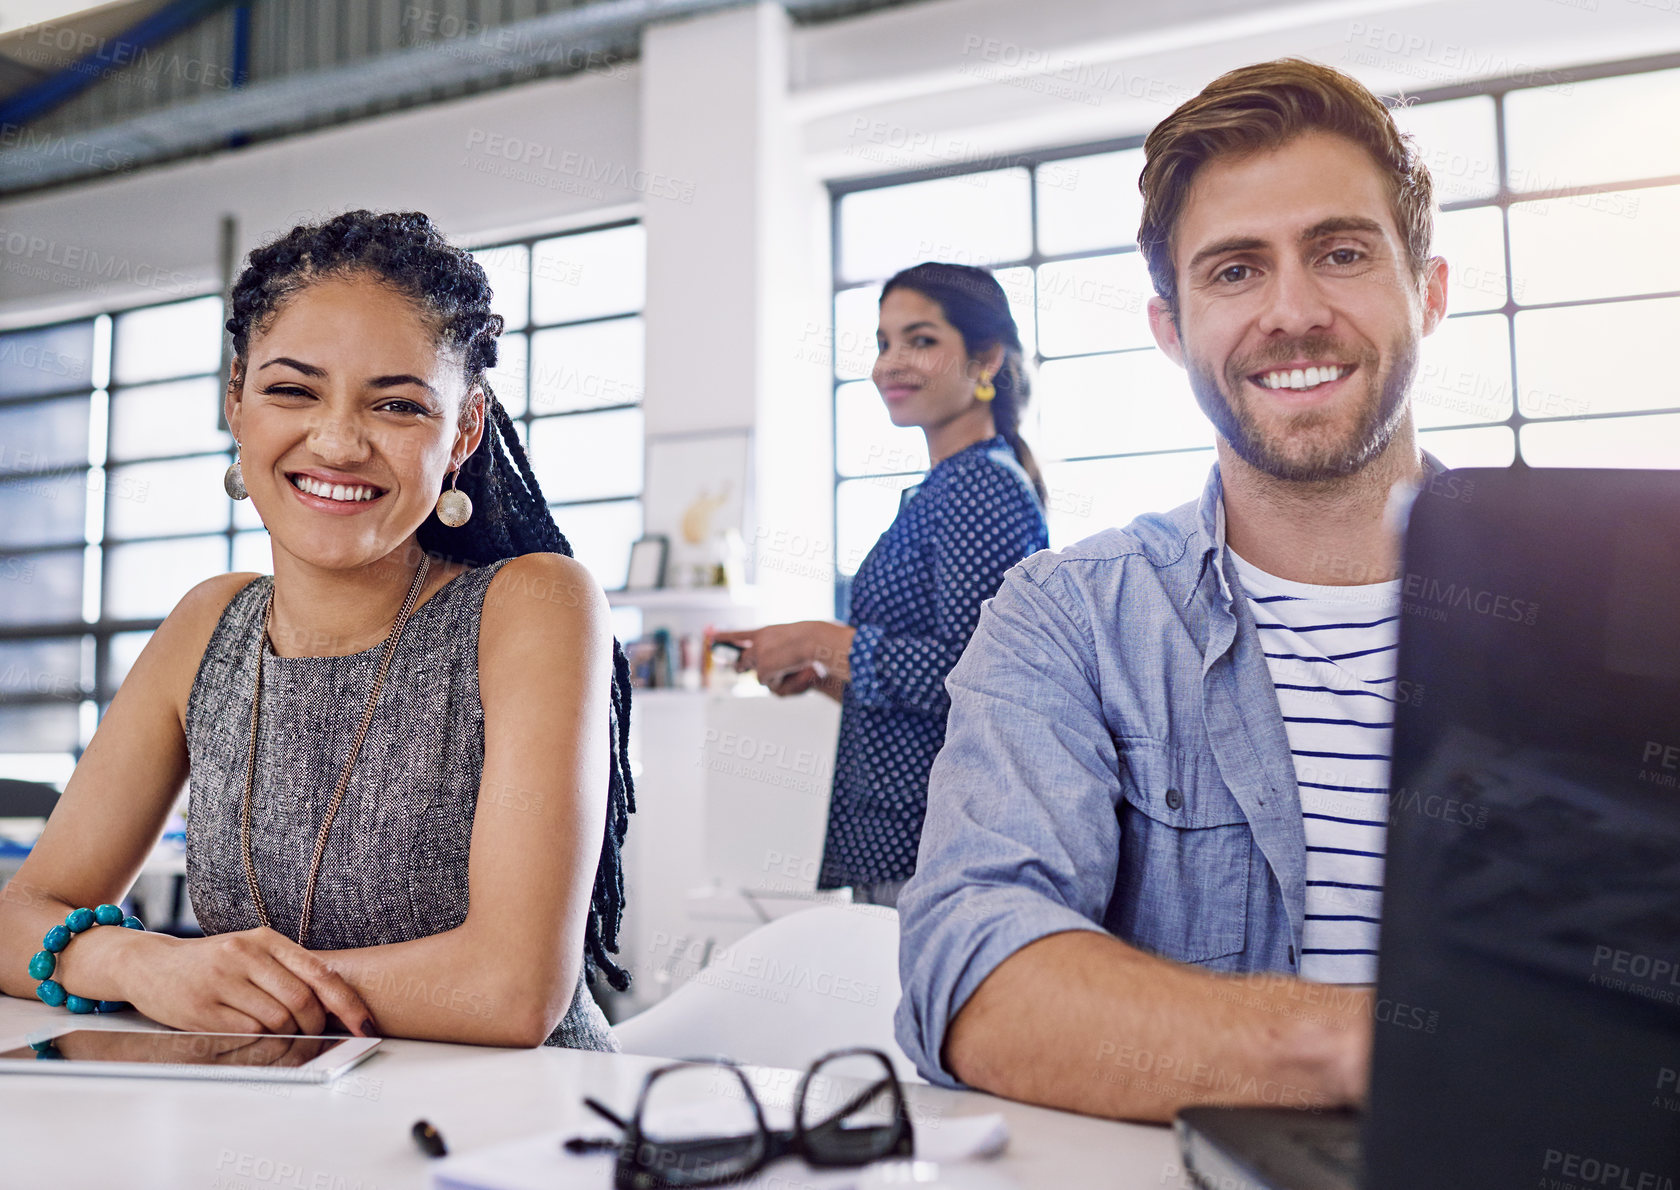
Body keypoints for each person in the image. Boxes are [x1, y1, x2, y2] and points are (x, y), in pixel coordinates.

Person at [895, 59, 1453, 1120]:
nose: (1293, 312)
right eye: (1235, 271)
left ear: (1427, 288)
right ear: (1171, 328)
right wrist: (1379, 1047)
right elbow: (975, 967)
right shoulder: (1068, 618)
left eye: (1340, 252)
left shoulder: (1616, 605)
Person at [0, 211, 634, 1049]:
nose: (336, 441)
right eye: (293, 390)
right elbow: (19, 914)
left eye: (400, 405)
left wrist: (219, 982)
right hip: (281, 1116)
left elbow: (511, 992)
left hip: (504, 1136)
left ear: (463, 433)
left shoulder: (533, 606)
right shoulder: (209, 626)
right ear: (236, 399)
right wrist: (143, 965)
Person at [718, 264, 1049, 907]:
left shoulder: (978, 487)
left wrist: (822, 639)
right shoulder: (950, 487)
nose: (888, 364)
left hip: (938, 839)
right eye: (882, 343)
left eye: (919, 341)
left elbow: (978, 678)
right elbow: (930, 690)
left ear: (985, 358)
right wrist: (826, 673)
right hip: (907, 835)